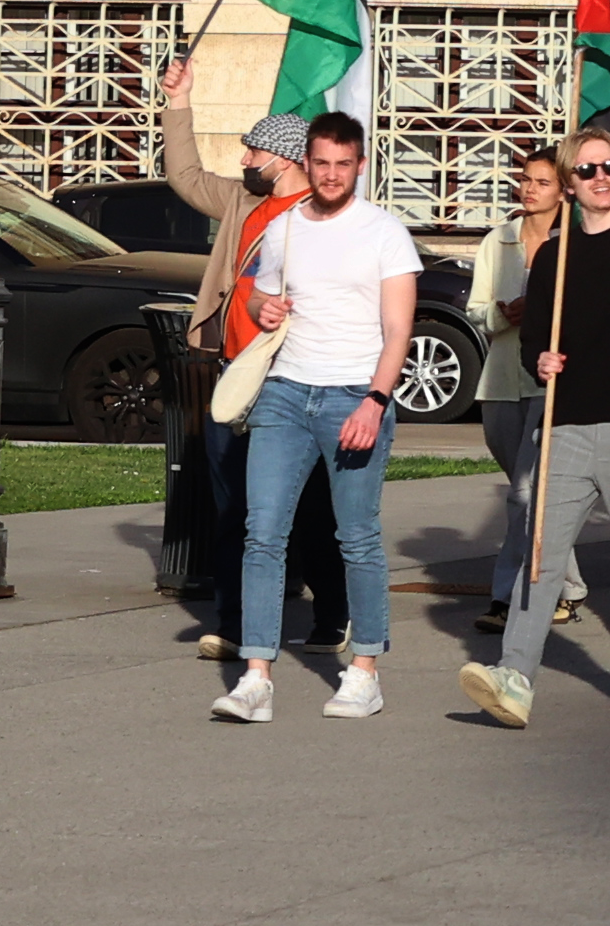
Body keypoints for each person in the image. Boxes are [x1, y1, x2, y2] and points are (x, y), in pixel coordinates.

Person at [456, 133, 610, 731]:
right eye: (586, 170)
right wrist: (541, 360)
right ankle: (516, 677)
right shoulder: (553, 256)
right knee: (540, 555)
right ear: (570, 182)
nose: (600, 176)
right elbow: (535, 335)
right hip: (567, 424)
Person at [208, 113, 417, 725]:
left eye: (342, 164)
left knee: (356, 536)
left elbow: (399, 328)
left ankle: (364, 671)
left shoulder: (383, 232)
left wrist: (375, 402)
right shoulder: (285, 228)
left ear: (358, 165)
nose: (330, 175)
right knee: (263, 533)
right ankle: (255, 677)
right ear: (310, 161)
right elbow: (253, 291)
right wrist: (264, 305)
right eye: (322, 163)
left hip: (353, 394)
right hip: (283, 393)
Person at [155, 67, 343, 665]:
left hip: (293, 377)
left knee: (310, 504)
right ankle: (235, 624)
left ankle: (332, 614)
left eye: (254, 149)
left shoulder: (318, 214)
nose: (245, 157)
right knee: (231, 502)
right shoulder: (241, 200)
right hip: (234, 372)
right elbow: (183, 175)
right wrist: (179, 101)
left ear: (285, 160)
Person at [470, 145, 585, 635]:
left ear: (563, 190)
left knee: (523, 493)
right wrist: (501, 314)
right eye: (526, 179)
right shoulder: (499, 240)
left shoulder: (577, 242)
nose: (529, 189)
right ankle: (571, 586)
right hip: (500, 380)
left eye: (541, 181)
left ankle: (504, 596)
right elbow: (476, 307)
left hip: (550, 383)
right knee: (535, 497)